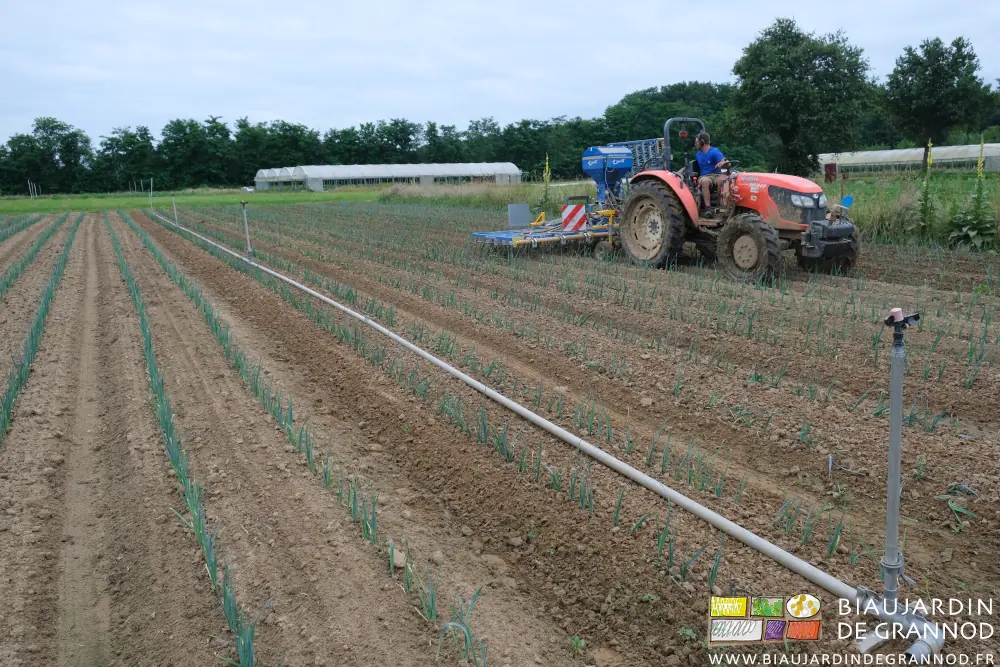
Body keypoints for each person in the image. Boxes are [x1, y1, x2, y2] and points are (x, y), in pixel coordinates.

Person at [693, 132, 729, 209]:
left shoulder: (714, 152)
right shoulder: (698, 154)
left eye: (697, 142)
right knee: (705, 181)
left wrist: (722, 163)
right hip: (704, 176)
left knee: (722, 180)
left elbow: (725, 161)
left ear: (702, 142)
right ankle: (708, 207)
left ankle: (721, 204)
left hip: (717, 175)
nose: (696, 144)